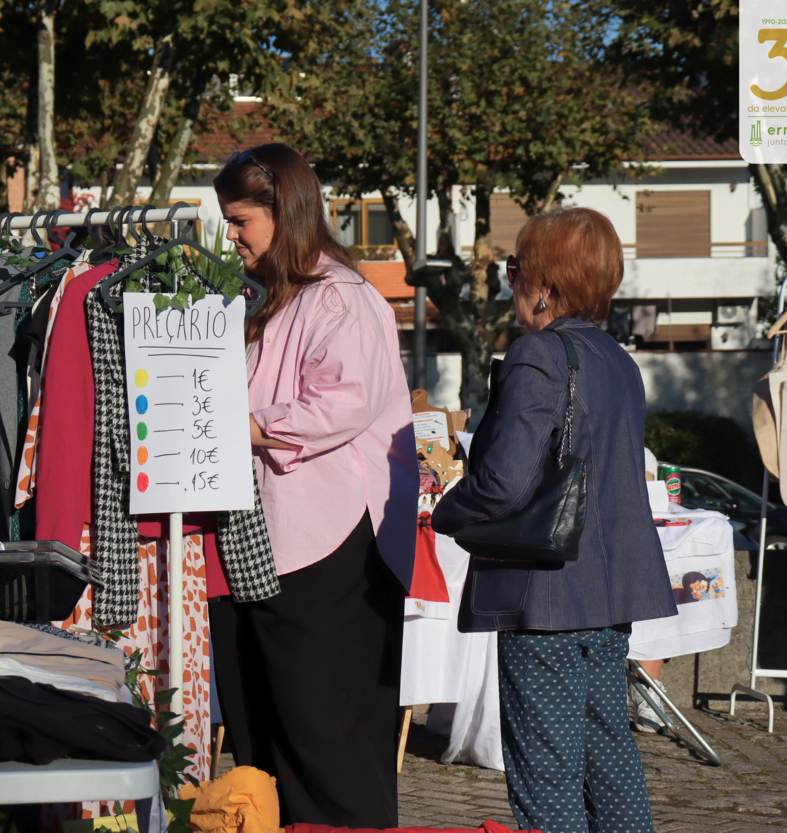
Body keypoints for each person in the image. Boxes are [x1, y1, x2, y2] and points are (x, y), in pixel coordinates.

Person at [431, 207, 677, 833]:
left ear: (543, 283)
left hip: (545, 596)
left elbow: (504, 482)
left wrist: (444, 509)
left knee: (547, 779)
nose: (509, 282)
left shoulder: (537, 354)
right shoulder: (619, 361)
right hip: (610, 597)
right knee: (610, 760)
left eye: (514, 269)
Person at [207, 143, 418, 828]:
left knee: (325, 732)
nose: (231, 236)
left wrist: (236, 425)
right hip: (270, 536)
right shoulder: (268, 296)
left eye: (240, 220)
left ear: (286, 212)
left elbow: (341, 403)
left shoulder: (343, 297)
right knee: (272, 725)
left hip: (333, 540)